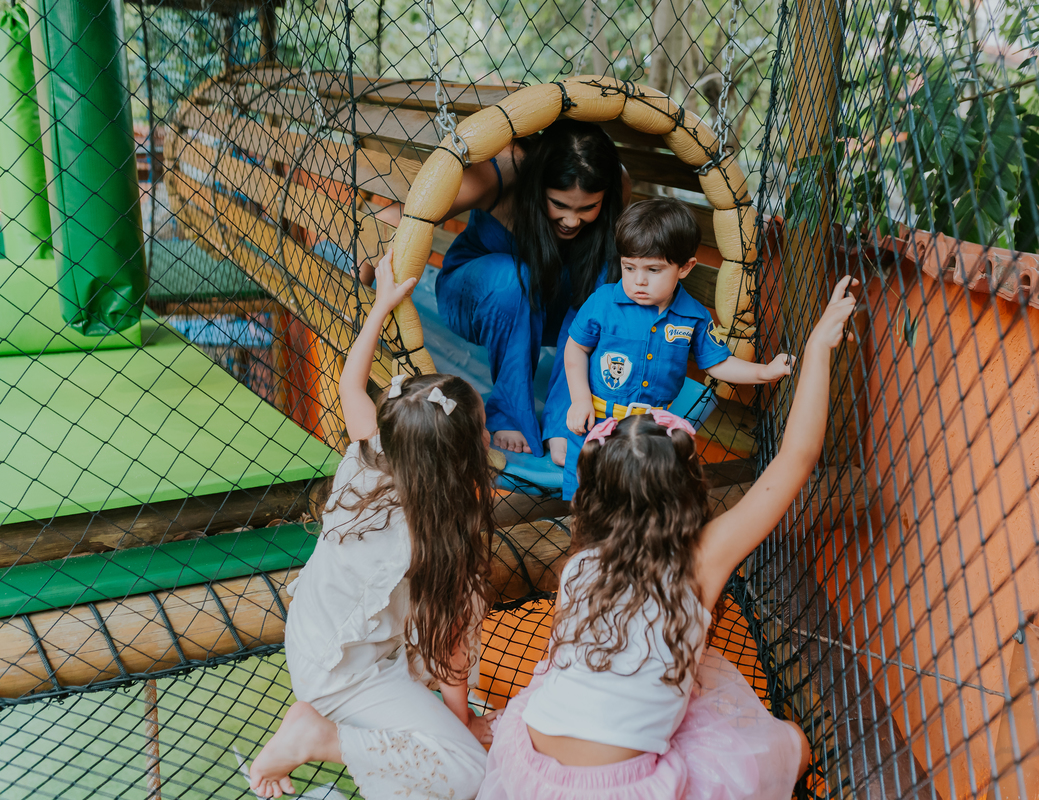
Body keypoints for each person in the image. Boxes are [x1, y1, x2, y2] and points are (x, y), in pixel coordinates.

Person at [476, 275, 859, 800]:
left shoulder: (582, 561)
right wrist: (817, 347)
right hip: (619, 787)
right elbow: (797, 457)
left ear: (595, 497)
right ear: (684, 493)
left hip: (533, 762)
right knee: (792, 745)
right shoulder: (702, 559)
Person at [248, 268, 496, 800]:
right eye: (479, 428)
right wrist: (465, 722)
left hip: (315, 637)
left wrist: (381, 305)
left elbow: (350, 384)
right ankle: (321, 734)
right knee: (471, 773)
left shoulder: (371, 452)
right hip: (345, 672)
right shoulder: (439, 535)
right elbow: (451, 647)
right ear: (460, 459)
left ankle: (330, 722)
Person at [366, 119, 631, 461]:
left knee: (606, 278)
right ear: (538, 185)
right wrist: (362, 297)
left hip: (554, 304)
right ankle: (509, 411)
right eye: (559, 205)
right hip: (481, 298)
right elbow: (398, 217)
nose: (571, 221)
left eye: (587, 208)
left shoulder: (616, 183)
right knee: (513, 276)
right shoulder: (503, 172)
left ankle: (565, 424)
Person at [558, 198, 793, 500]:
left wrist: (765, 371)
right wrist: (579, 401)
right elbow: (576, 348)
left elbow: (716, 363)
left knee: (643, 501)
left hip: (653, 438)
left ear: (685, 267)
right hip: (597, 424)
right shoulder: (603, 302)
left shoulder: (693, 316)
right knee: (585, 497)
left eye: (653, 270)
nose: (638, 281)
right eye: (628, 267)